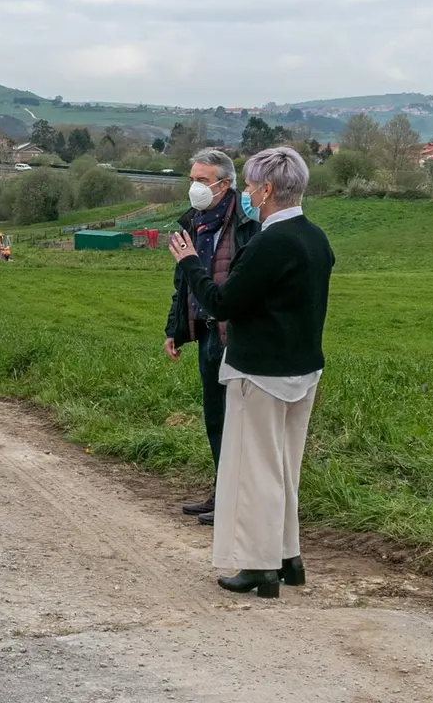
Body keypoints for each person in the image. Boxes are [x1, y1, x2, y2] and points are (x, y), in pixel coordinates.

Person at [168, 147, 334, 598]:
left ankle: (259, 566)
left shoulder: (269, 243)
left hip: (260, 372)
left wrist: (190, 263)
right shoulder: (315, 237)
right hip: (302, 369)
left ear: (266, 190)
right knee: (284, 467)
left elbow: (223, 303)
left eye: (251, 185)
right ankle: (287, 557)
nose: (248, 193)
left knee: (255, 471)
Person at [165, 149, 260, 526]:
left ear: (225, 183)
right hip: (205, 330)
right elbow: (184, 280)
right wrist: (174, 329)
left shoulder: (247, 222)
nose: (195, 188)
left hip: (234, 332)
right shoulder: (194, 222)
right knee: (216, 418)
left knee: (239, 419)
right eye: (192, 180)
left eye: (202, 181)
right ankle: (222, 491)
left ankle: (238, 499)